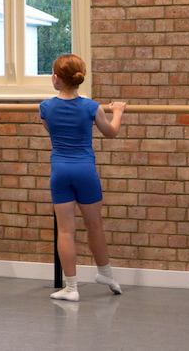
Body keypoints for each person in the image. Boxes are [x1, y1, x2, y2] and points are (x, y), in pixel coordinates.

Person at [40, 54, 125, 301]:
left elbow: (50, 129)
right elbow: (111, 133)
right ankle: (106, 273)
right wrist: (117, 111)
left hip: (60, 172)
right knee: (94, 225)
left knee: (66, 231)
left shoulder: (45, 107)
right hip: (85, 171)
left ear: (56, 79)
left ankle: (71, 288)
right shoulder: (91, 107)